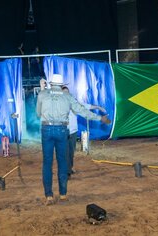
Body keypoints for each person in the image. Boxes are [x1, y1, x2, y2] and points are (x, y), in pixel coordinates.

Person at [36, 74, 111, 205]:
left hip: (46, 129)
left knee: (47, 163)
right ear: (61, 84)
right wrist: (100, 118)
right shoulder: (67, 96)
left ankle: (49, 196)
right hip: (62, 130)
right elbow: (81, 110)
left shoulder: (43, 94)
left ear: (51, 83)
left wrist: (43, 90)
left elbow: (38, 113)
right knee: (62, 161)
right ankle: (63, 194)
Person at [61, 86, 106, 179]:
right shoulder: (59, 105)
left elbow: (88, 106)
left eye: (67, 92)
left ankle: (70, 168)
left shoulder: (76, 104)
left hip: (73, 132)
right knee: (65, 152)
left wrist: (99, 107)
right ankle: (67, 172)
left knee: (71, 152)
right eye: (64, 92)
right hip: (63, 131)